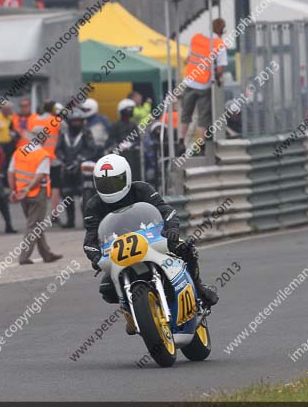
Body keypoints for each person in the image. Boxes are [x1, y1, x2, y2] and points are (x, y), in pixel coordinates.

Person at [82, 154, 218, 333]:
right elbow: (90, 238)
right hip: (119, 252)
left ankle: (199, 289)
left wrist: (171, 229)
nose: (110, 188)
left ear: (127, 176)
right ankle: (134, 311)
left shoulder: (142, 189)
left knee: (186, 249)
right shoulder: (93, 205)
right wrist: (95, 256)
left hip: (153, 239)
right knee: (107, 289)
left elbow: (165, 210)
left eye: (115, 182)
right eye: (104, 184)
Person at [8, 126, 63, 264]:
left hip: (22, 194)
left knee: (35, 223)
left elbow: (10, 172)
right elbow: (39, 176)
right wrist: (27, 189)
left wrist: (14, 191)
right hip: (37, 194)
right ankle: (24, 256)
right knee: (33, 225)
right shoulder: (42, 154)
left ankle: (46, 254)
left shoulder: (19, 151)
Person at [179, 18, 227, 155]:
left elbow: (188, 59)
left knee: (186, 114)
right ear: (222, 31)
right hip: (204, 85)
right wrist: (217, 77)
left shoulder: (196, 38)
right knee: (203, 117)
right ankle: (201, 146)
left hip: (189, 81)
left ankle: (180, 142)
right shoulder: (219, 44)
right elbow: (220, 70)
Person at [55, 108, 98, 228]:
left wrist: (80, 158)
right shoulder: (63, 133)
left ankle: (86, 221)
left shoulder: (86, 132)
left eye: (79, 121)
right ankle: (70, 221)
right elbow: (58, 149)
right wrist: (63, 159)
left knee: (85, 195)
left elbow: (92, 149)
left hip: (81, 169)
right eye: (74, 121)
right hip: (67, 168)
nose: (76, 123)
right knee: (67, 194)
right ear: (69, 122)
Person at [30, 100, 63, 219]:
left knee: (39, 186)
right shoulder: (57, 121)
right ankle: (54, 214)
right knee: (55, 187)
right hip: (53, 159)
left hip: (38, 158)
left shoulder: (34, 120)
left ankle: (37, 214)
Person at [108, 99, 141, 177]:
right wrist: (118, 146)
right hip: (119, 154)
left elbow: (138, 140)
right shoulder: (115, 125)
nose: (130, 111)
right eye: (128, 109)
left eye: (131, 109)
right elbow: (111, 139)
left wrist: (132, 145)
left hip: (132, 154)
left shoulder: (133, 125)